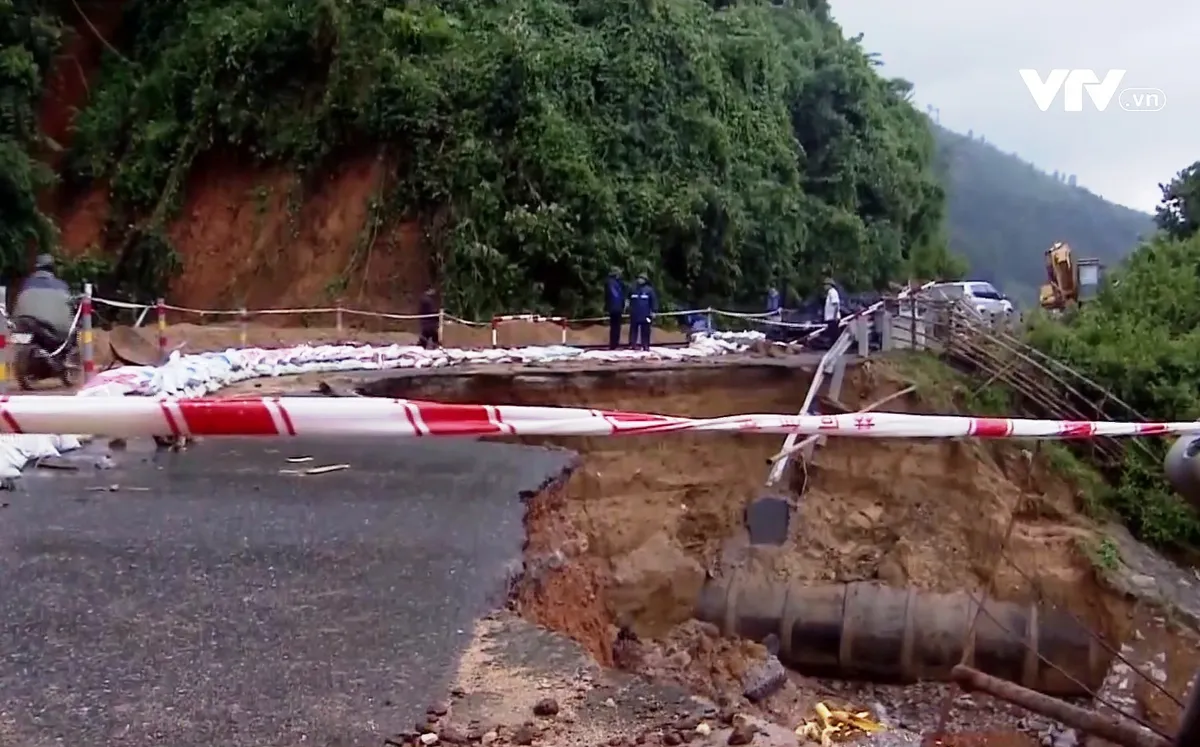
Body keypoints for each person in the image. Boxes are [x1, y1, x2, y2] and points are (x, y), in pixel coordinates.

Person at [14, 253, 73, 353]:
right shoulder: (62, 286)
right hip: (55, 334)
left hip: (22, 329)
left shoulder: (25, 284)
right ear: (53, 269)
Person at [627, 274, 657, 350]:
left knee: (646, 330)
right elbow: (627, 299)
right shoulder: (632, 289)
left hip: (646, 314)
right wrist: (627, 307)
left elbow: (653, 301)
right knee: (633, 329)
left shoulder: (649, 290)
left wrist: (654, 311)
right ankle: (632, 344)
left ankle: (645, 345)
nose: (640, 280)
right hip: (634, 313)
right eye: (639, 278)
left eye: (642, 279)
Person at [605, 268, 626, 350]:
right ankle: (614, 344)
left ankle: (614, 344)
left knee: (615, 327)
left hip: (614, 306)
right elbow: (618, 296)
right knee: (615, 327)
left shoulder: (612, 283)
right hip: (616, 307)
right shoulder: (614, 283)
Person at [821, 276, 841, 346]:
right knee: (832, 335)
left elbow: (836, 305)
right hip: (830, 318)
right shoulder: (830, 293)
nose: (824, 286)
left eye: (825, 285)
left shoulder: (833, 292)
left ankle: (836, 348)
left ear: (829, 285)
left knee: (834, 336)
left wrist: (834, 316)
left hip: (833, 318)